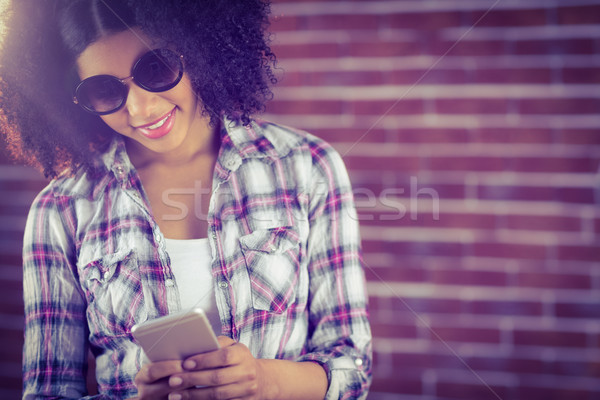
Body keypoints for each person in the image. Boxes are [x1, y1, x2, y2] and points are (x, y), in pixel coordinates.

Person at [0, 0, 372, 399]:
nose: (142, 108)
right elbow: (47, 392)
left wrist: (264, 381)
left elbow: (351, 367)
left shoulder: (307, 167)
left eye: (156, 69)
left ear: (199, 50)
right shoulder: (60, 210)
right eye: (105, 91)